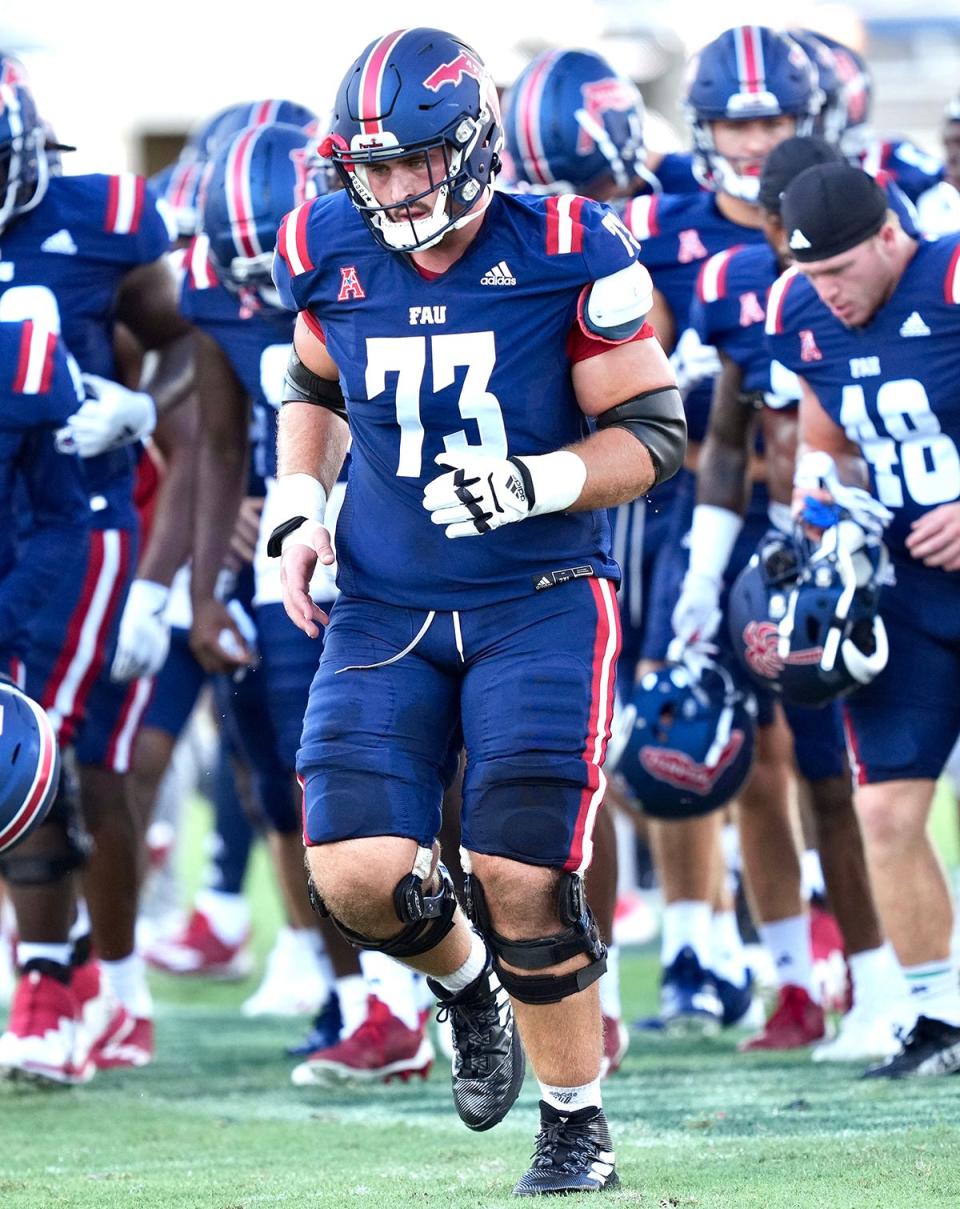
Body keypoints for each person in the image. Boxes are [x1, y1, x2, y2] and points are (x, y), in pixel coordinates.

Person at [271, 26, 684, 1196]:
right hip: (386, 599)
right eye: (374, 166)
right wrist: (301, 503)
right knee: (351, 873)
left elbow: (655, 435)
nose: (393, 187)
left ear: (469, 144)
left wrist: (538, 478)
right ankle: (465, 992)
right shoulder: (329, 240)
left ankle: (574, 1122)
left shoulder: (567, 243)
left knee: (521, 872)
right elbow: (313, 379)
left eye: (412, 162)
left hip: (539, 598)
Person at [672, 136, 906, 1061]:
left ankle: (894, 978)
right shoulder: (745, 289)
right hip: (786, 559)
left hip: (888, 543)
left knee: (862, 781)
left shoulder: (901, 278)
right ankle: (812, 983)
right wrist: (701, 575)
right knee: (781, 769)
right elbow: (730, 442)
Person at [621, 26, 826, 1047]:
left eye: (772, 119)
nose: (753, 140)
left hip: (795, 513)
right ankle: (700, 948)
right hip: (685, 507)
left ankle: (813, 956)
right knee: (683, 731)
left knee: (794, 757)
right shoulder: (666, 225)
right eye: (737, 120)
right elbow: (634, 364)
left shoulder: (834, 215)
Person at [766, 161, 960, 1076]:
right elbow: (826, 447)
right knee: (882, 808)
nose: (828, 291)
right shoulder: (799, 312)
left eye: (841, 269)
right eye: (812, 275)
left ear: (890, 237)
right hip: (904, 591)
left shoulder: (953, 274)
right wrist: (823, 511)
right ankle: (941, 1014)